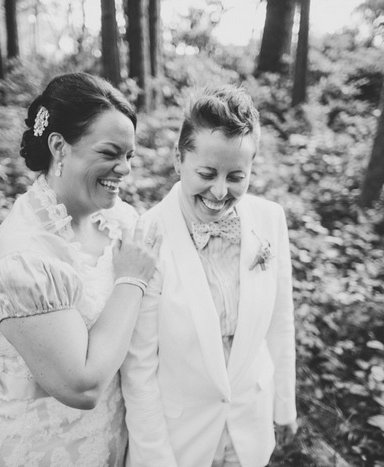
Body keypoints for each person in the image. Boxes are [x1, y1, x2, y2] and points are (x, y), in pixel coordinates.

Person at [0, 72, 160, 466]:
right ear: (59, 147)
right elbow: (82, 385)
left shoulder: (121, 221)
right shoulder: (22, 259)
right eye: (109, 153)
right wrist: (131, 281)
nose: (124, 169)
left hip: (112, 438)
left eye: (129, 156)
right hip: (35, 448)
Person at [121, 85, 297, 467]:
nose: (219, 191)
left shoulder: (270, 220)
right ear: (178, 159)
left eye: (236, 176)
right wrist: (154, 458)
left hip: (250, 426)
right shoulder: (148, 235)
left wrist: (283, 405)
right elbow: (138, 369)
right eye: (206, 173)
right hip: (179, 441)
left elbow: (280, 323)